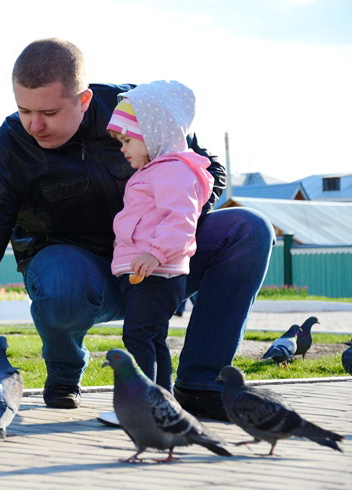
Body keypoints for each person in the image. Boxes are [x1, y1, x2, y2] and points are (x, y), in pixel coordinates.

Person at [0, 38, 274, 422]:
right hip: (79, 276)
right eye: (24, 110)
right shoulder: (10, 149)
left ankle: (200, 384)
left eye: (48, 113)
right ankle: (65, 366)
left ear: (84, 100)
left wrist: (164, 233)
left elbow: (205, 169)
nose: (34, 125)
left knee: (248, 229)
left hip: (153, 266)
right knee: (62, 280)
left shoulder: (140, 111)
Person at [107, 80, 213, 394]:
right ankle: (161, 399)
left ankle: (141, 402)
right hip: (150, 271)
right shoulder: (155, 171)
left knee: (138, 337)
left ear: (154, 134)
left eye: (127, 140)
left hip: (156, 271)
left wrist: (155, 253)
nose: (123, 149)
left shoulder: (172, 171)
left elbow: (181, 219)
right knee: (152, 337)